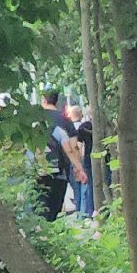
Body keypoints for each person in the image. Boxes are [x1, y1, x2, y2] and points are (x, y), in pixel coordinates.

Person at [38, 90, 86, 220]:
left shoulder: (35, 119)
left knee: (38, 205)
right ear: (56, 100)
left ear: (43, 100)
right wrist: (78, 167)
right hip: (59, 170)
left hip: (36, 170)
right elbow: (73, 146)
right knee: (54, 207)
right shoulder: (64, 120)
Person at [65, 104, 95, 216]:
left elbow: (76, 145)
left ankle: (81, 212)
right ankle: (85, 211)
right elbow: (77, 146)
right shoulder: (85, 126)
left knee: (80, 188)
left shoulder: (74, 128)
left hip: (76, 160)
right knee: (86, 187)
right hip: (83, 160)